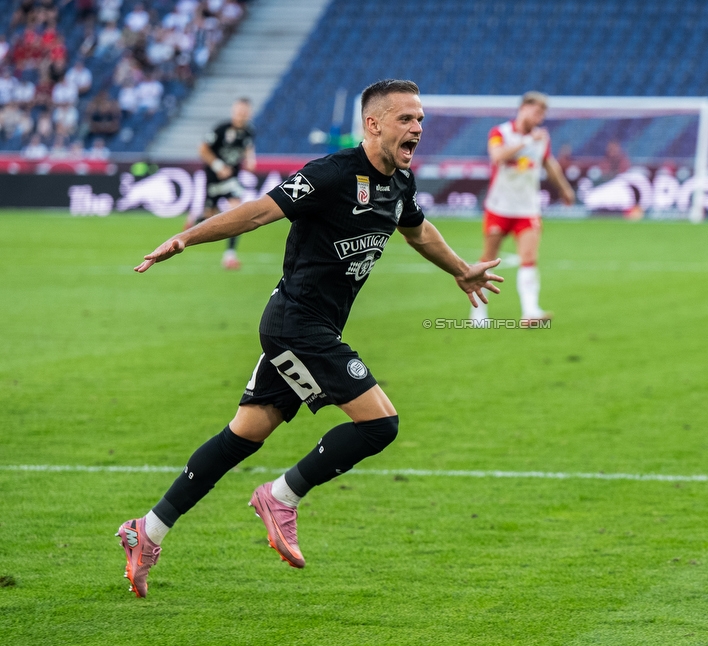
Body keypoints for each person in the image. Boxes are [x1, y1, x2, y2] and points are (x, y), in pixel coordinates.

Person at [116, 79, 504, 599]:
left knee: (243, 434)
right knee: (380, 424)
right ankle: (280, 497)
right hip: (296, 325)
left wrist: (460, 269)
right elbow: (259, 210)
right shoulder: (332, 174)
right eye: (406, 119)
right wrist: (188, 235)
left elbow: (418, 230)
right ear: (373, 124)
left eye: (420, 120)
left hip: (308, 327)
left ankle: (147, 530)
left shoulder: (400, 184)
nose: (417, 128)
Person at [471, 91, 574, 327]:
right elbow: (497, 156)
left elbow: (549, 164)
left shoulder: (542, 139)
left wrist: (565, 189)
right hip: (499, 207)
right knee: (487, 260)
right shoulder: (500, 133)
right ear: (524, 108)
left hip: (527, 209)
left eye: (542, 114)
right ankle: (478, 312)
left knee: (529, 258)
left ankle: (530, 312)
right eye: (537, 112)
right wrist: (527, 141)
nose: (539, 118)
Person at [184, 97, 256, 269]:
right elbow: (202, 148)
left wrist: (251, 159)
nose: (241, 115)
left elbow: (248, 147)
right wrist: (218, 165)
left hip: (232, 180)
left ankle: (229, 256)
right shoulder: (221, 129)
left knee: (236, 211)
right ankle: (195, 219)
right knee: (209, 217)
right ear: (234, 111)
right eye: (239, 112)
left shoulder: (249, 132)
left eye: (245, 112)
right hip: (214, 179)